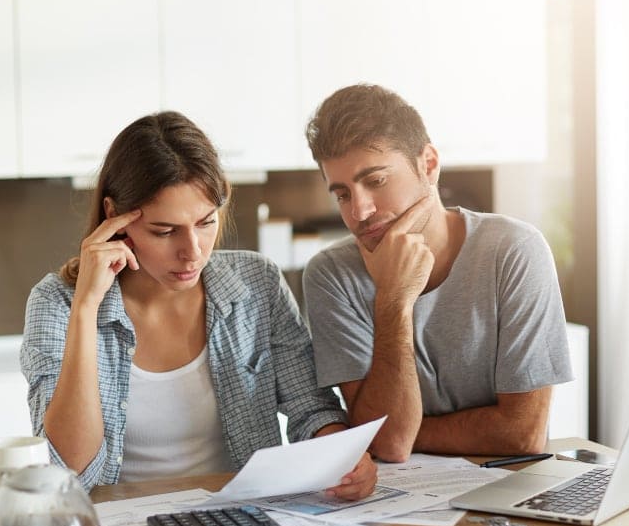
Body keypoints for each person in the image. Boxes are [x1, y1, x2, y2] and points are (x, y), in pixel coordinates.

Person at [21, 110, 376, 498]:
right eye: (165, 231)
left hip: (241, 518)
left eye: (205, 222)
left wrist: (343, 456)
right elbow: (68, 469)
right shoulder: (57, 303)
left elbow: (311, 409)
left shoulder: (257, 283)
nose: (192, 253)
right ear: (115, 217)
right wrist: (86, 309)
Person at [302, 84, 573, 462]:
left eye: (376, 181)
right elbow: (389, 446)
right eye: (343, 194)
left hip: (507, 490)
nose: (359, 211)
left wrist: (403, 428)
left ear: (428, 165)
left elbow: (523, 435)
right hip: (391, 504)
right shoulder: (331, 275)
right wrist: (394, 301)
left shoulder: (514, 250)